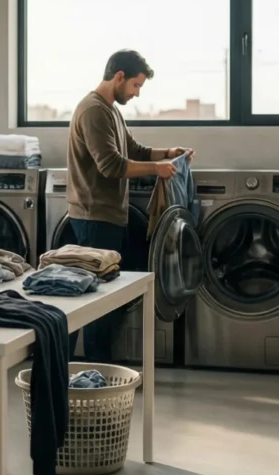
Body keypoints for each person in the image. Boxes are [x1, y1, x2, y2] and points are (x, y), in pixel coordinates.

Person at [65, 49, 194, 362]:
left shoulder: (110, 110)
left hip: (106, 217)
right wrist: (156, 169)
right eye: (136, 86)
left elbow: (133, 149)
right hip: (94, 218)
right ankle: (95, 371)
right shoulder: (93, 110)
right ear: (118, 76)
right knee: (95, 302)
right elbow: (110, 165)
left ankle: (96, 370)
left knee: (101, 297)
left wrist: (167, 153)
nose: (137, 94)